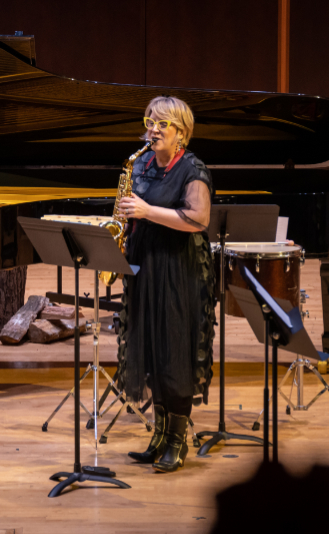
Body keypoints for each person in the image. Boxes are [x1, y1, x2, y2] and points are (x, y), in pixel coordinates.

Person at [116, 95, 215, 473]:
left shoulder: (192, 169)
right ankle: (158, 435)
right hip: (145, 265)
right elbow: (134, 210)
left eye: (162, 124)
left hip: (179, 270)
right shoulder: (141, 164)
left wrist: (147, 211)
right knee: (152, 351)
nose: (152, 130)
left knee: (175, 353)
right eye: (149, 122)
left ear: (181, 133)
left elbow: (198, 219)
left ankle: (177, 440)